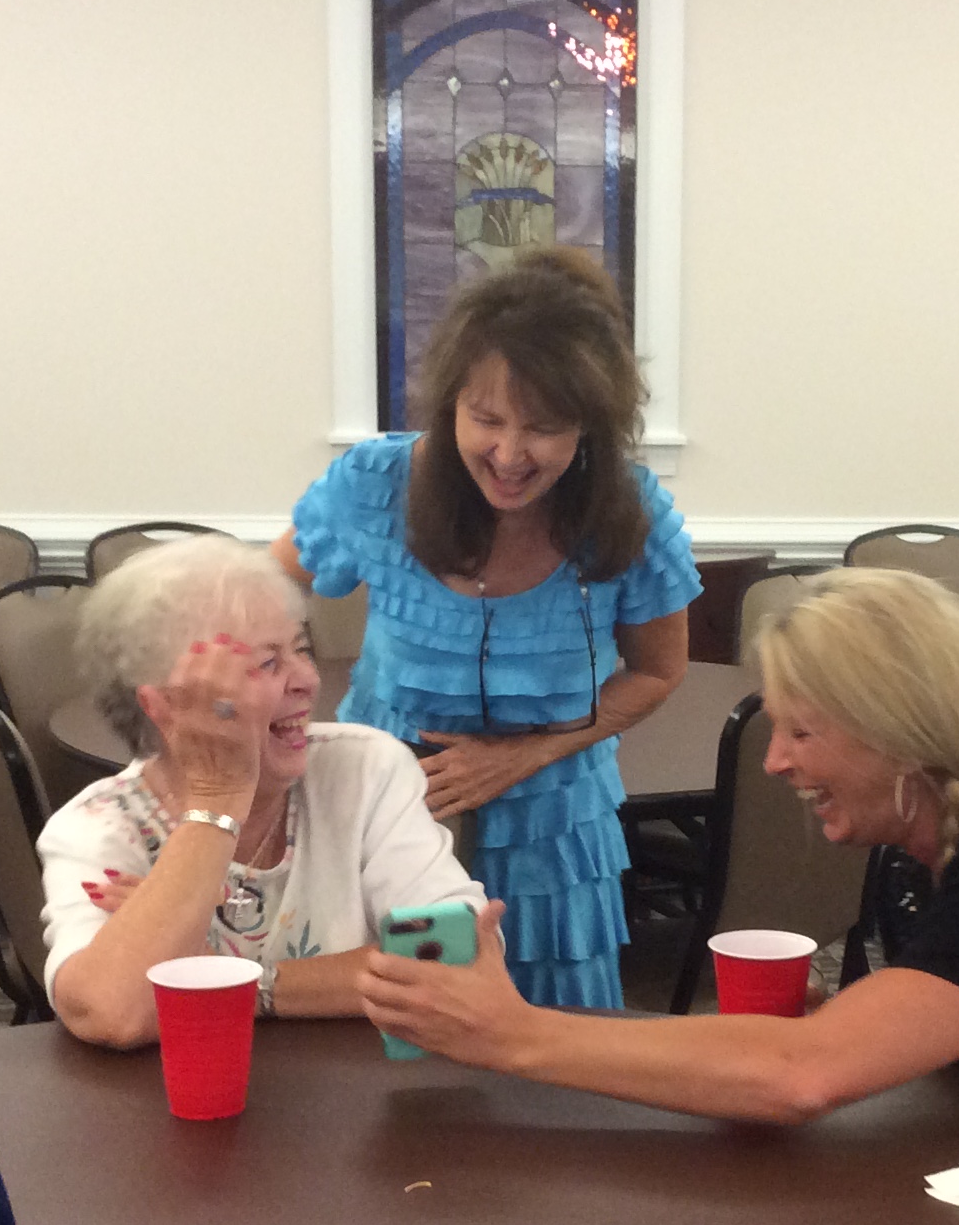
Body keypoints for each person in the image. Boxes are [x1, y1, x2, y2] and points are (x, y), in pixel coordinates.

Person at [354, 568, 959, 1206]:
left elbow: (802, 1075)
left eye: (803, 731)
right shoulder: (925, 838)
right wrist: (837, 1023)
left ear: (896, 728)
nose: (775, 762)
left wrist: (514, 1034)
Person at [272, 247, 700, 1009]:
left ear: (590, 427)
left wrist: (521, 757)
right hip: (383, 819)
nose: (508, 454)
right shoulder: (376, 484)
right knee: (390, 1033)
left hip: (551, 835)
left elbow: (659, 672)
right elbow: (260, 595)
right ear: (450, 406)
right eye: (486, 419)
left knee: (550, 1043)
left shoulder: (630, 512)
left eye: (543, 428)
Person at [39, 534, 481, 1049]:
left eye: (301, 649)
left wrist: (235, 980)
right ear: (165, 707)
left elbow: (457, 957)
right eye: (266, 663)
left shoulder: (363, 769)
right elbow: (113, 1012)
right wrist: (218, 799)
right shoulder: (99, 827)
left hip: (359, 1089)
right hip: (186, 1094)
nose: (307, 680)